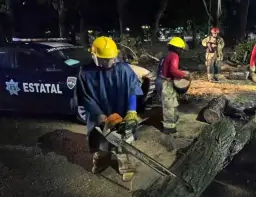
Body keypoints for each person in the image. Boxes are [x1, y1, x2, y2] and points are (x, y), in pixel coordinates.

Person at [77, 36, 143, 181]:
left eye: (112, 58)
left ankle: (125, 165)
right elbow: (86, 96)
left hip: (121, 111)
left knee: (123, 143)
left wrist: (132, 110)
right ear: (94, 56)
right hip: (98, 113)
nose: (110, 62)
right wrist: (99, 114)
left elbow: (133, 88)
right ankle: (101, 161)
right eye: (105, 59)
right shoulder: (85, 72)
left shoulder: (123, 69)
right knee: (101, 142)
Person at [156, 37, 191, 136]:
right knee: (169, 105)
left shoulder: (167, 55)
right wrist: (184, 75)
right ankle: (169, 127)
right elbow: (173, 70)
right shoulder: (175, 56)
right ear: (178, 48)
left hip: (160, 80)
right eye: (181, 49)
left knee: (171, 102)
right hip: (165, 82)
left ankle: (174, 119)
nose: (182, 52)